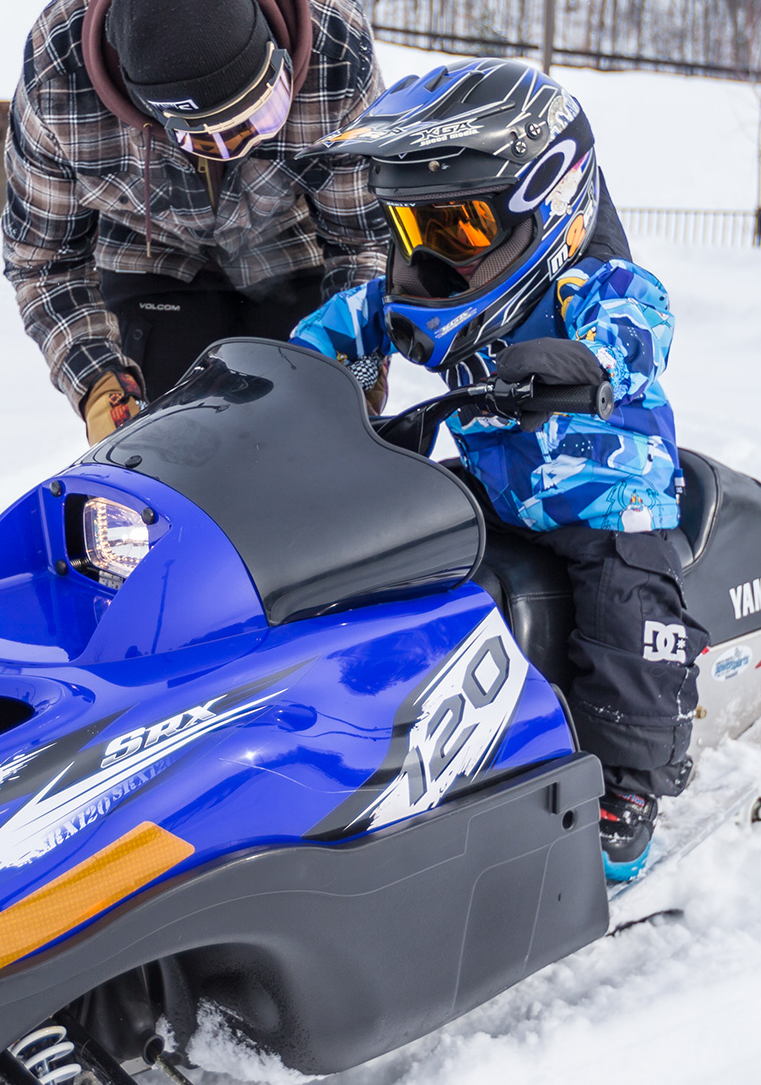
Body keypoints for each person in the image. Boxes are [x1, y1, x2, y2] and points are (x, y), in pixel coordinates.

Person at [287, 59, 703, 886]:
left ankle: (629, 789)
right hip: (494, 483)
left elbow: (639, 329)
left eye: (459, 231)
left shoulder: (599, 283)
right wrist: (281, 377)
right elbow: (345, 322)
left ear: (547, 205)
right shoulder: (414, 296)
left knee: (626, 617)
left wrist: (582, 362)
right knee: (389, 556)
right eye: (416, 234)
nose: (433, 262)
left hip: (606, 493)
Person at [4, 0, 384, 444]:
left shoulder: (333, 41)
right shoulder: (57, 74)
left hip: (294, 252)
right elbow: (43, 262)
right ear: (155, 119)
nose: (247, 146)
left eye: (264, 114)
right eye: (215, 141)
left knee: (313, 439)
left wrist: (353, 357)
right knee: (171, 453)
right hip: (149, 261)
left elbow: (363, 238)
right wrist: (98, 382)